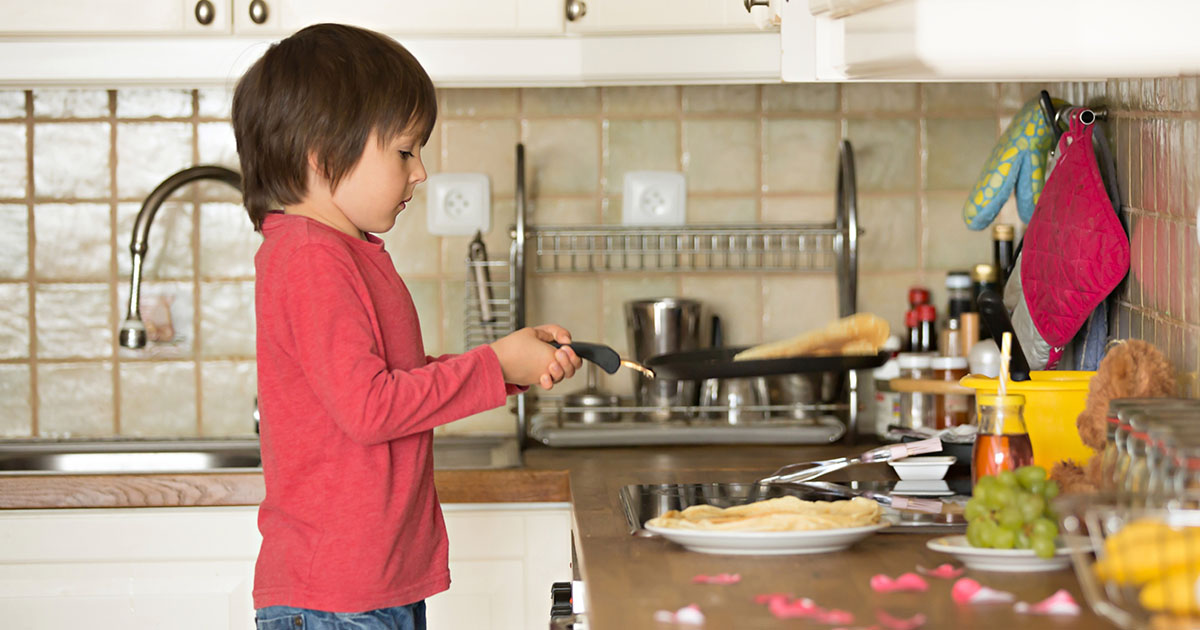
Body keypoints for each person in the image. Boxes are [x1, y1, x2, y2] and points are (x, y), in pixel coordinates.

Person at [231, 23, 582, 630]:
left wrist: (505, 369)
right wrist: (493, 366)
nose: (420, 173)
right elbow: (371, 408)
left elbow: (393, 382)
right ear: (322, 152)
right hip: (336, 601)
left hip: (367, 587)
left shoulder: (339, 251)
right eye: (404, 151)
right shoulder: (312, 260)